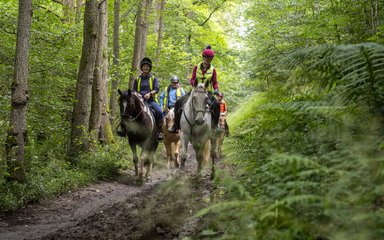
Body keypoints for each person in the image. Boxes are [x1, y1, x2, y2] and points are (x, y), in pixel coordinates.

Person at [169, 45, 220, 133]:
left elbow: (214, 82)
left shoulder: (213, 69)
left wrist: (216, 89)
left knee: (216, 105)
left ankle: (215, 125)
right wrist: (194, 84)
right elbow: (192, 79)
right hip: (195, 90)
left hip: (207, 92)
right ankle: (176, 125)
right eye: (206, 58)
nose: (207, 60)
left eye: (210, 59)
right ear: (203, 57)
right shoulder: (197, 67)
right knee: (178, 102)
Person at [117, 57, 164, 141]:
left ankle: (159, 133)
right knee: (127, 111)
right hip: (138, 101)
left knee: (159, 111)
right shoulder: (137, 79)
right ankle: (122, 129)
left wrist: (149, 94)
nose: (145, 68)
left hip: (150, 100)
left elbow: (156, 89)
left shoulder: (153, 78)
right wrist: (138, 96)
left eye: (147, 66)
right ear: (142, 68)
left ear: (149, 68)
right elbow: (134, 91)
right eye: (144, 66)